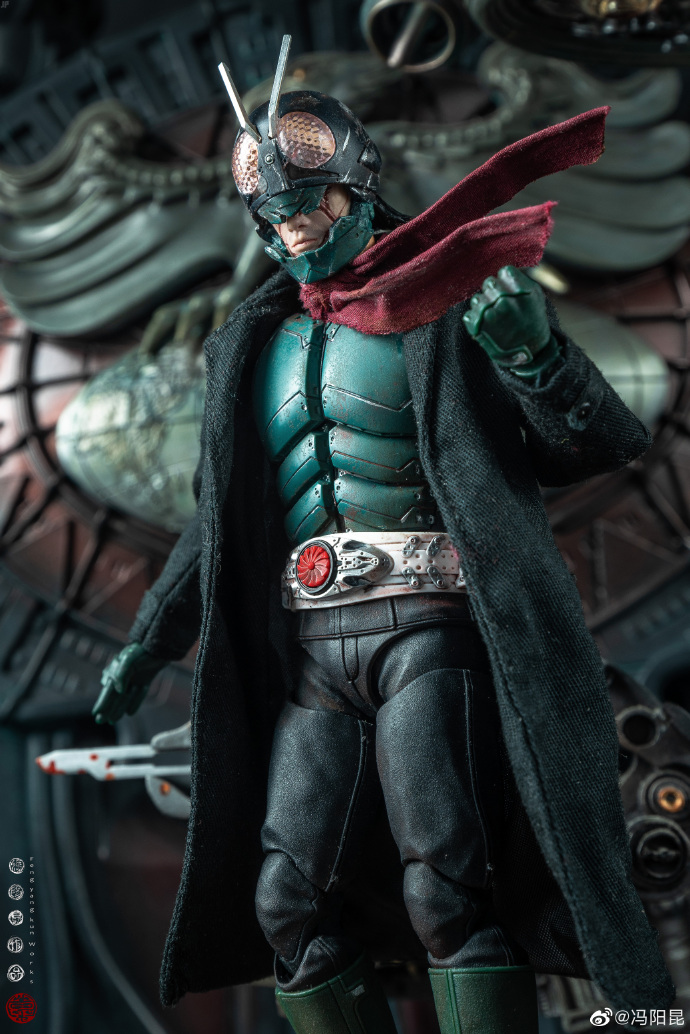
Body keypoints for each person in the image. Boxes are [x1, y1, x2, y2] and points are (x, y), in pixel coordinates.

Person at [93, 37, 673, 1034]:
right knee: (288, 904)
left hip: (429, 632)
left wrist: (535, 359)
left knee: (448, 889)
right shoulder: (251, 343)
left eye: (310, 205)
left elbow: (593, 443)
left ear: (358, 187)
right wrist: (149, 640)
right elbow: (218, 523)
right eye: (275, 217)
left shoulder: (443, 302)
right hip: (314, 651)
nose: (294, 231)